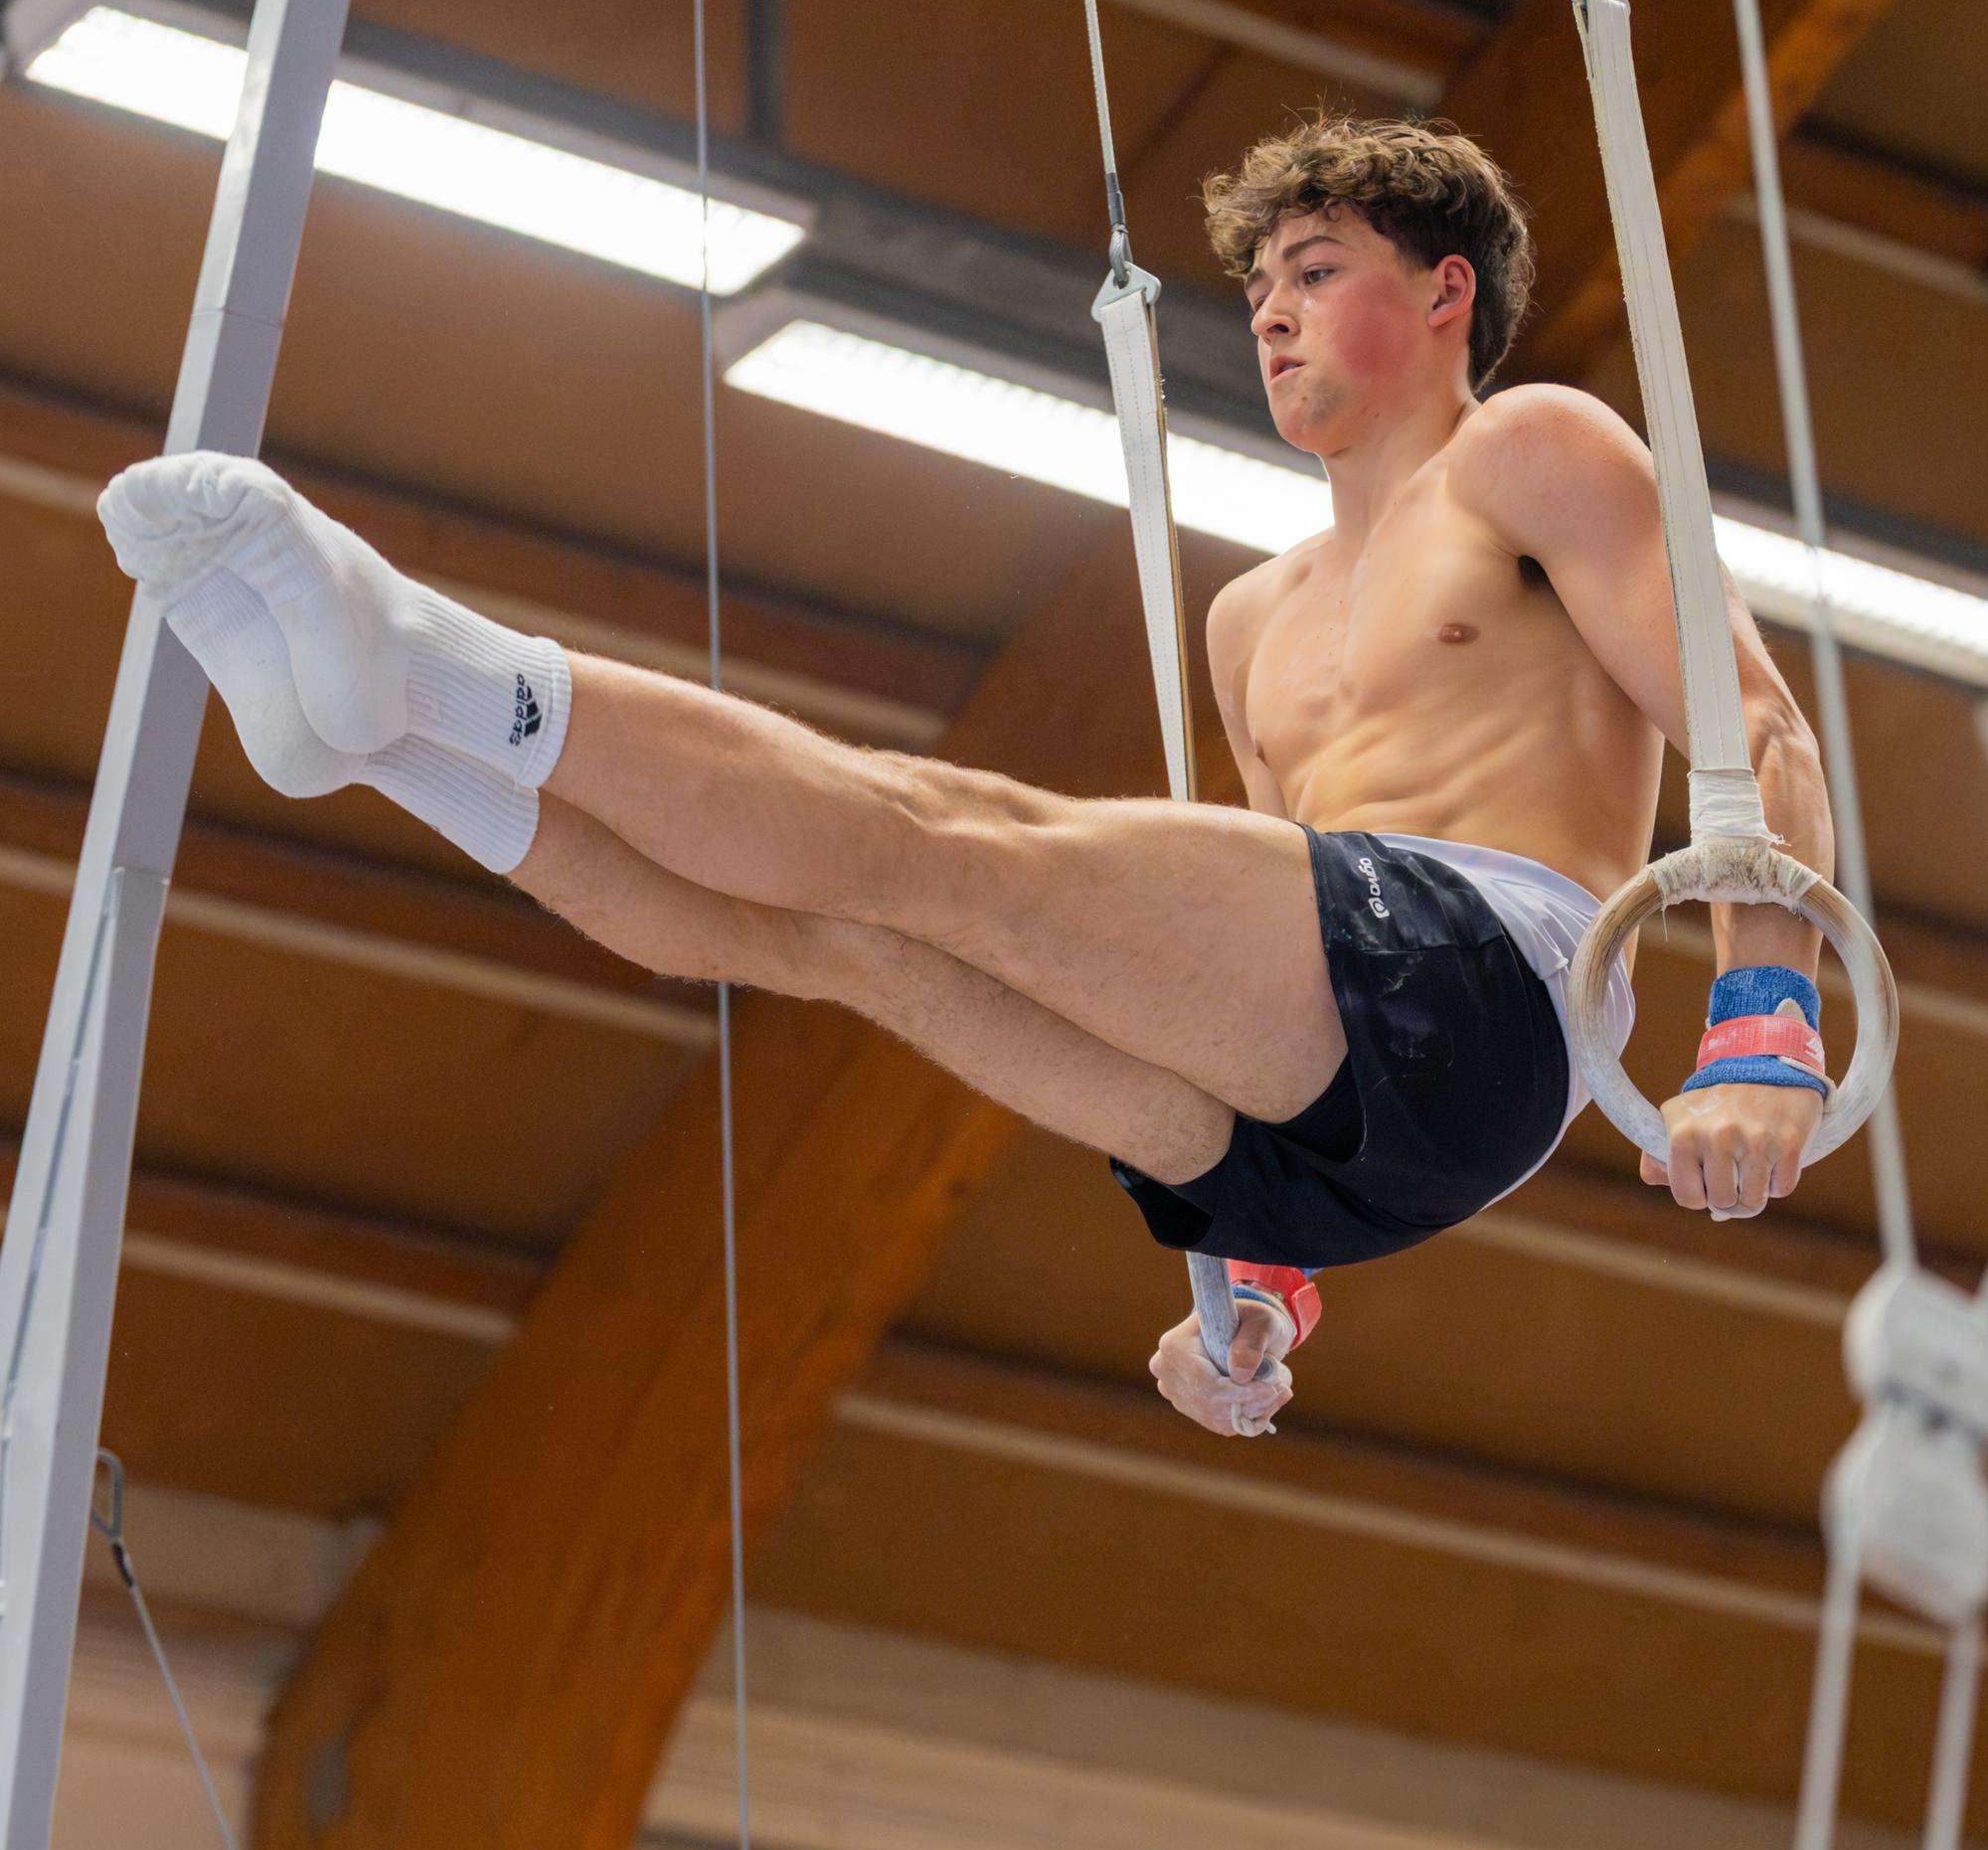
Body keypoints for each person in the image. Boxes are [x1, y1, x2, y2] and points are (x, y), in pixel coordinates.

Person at [95, 115, 1833, 1444]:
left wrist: (1764, 1028)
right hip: (1347, 1138)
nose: (1272, 314)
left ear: (1447, 295)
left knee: (943, 838)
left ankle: (424, 655)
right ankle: (387, 745)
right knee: (839, 940)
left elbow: (1757, 732)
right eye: (1259, 288)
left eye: (1315, 270)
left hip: (1500, 984)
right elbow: (1267, 968)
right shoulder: (1249, 619)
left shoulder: (1531, 450)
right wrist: (1257, 1287)